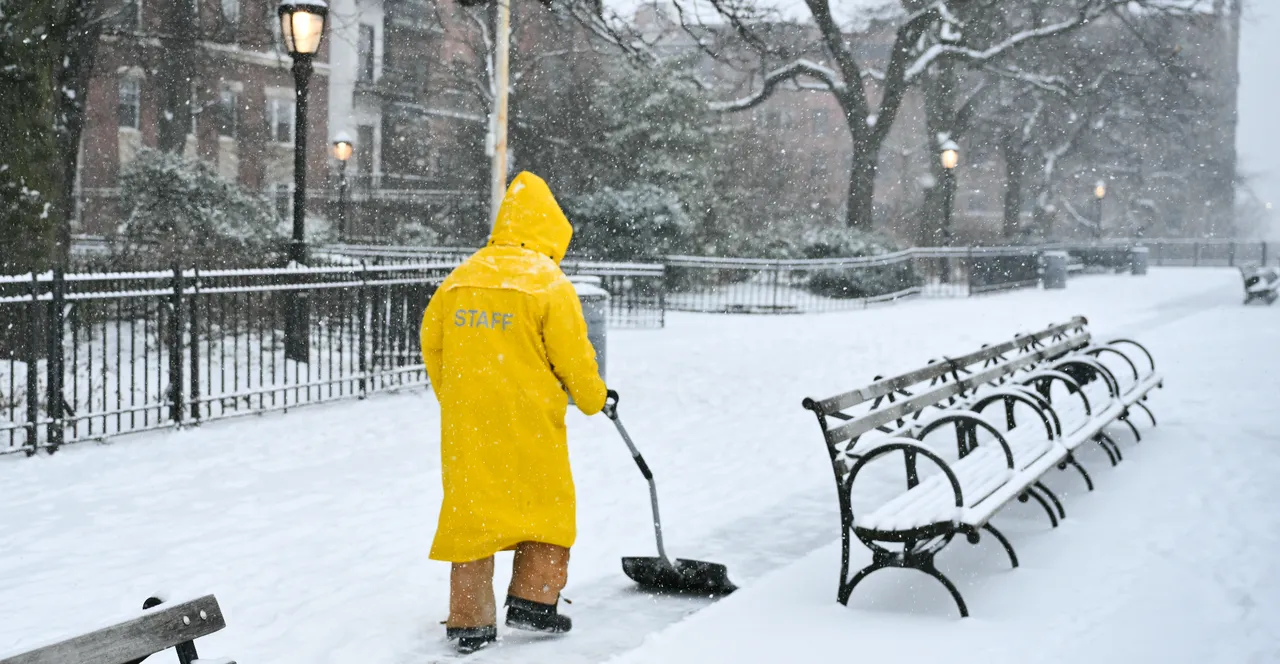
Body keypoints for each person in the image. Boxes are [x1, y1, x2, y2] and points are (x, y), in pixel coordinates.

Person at [419, 171, 611, 655]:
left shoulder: (461, 278)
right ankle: (534, 600)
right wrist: (594, 398)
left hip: (470, 425)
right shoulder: (549, 283)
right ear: (549, 229)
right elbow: (575, 357)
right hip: (531, 424)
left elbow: (432, 343)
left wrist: (456, 396)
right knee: (545, 510)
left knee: (473, 517)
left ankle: (470, 619)